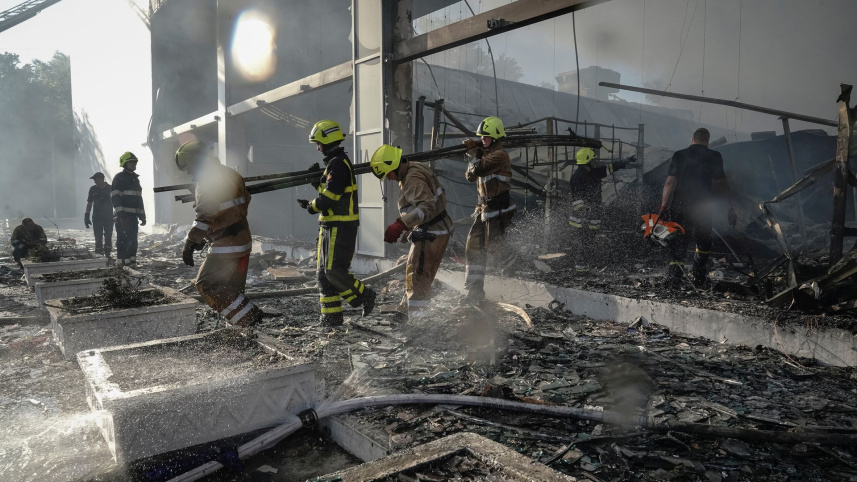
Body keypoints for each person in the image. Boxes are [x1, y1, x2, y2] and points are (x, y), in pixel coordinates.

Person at [297, 120, 376, 326]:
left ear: (325, 140)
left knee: (333, 271)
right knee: (323, 275)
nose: (317, 147)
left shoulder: (338, 164)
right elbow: (332, 194)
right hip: (330, 225)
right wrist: (317, 182)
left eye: (318, 143)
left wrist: (311, 206)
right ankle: (331, 318)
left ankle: (364, 296)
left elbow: (330, 199)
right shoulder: (334, 164)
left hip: (340, 227)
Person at [176, 140, 263, 327]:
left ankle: (251, 318)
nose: (190, 173)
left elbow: (204, 217)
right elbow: (241, 203)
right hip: (242, 238)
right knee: (231, 290)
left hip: (225, 244)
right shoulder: (232, 173)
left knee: (208, 285)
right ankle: (241, 330)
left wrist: (190, 243)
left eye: (189, 167)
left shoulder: (207, 180)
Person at [371, 144, 453, 321]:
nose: (390, 179)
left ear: (393, 166)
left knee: (419, 279)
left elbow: (426, 207)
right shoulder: (410, 169)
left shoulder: (412, 178)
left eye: (388, 174)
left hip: (432, 232)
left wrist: (402, 224)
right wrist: (409, 226)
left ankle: (418, 323)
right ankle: (406, 310)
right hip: (428, 230)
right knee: (412, 271)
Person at [659, 128, 737, 288]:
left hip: (680, 205)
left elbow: (669, 182)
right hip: (704, 207)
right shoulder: (714, 156)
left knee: (679, 241)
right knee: (703, 242)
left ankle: (675, 278)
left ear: (692, 140)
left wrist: (664, 205)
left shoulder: (679, 155)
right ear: (707, 141)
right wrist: (730, 208)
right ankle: (699, 278)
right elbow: (722, 184)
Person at [461, 116, 516, 303]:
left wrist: (473, 152)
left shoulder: (500, 155)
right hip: (484, 207)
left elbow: (478, 169)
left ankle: (514, 262)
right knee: (473, 247)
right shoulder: (484, 153)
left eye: (486, 137)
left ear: (496, 137)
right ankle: (474, 291)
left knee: (494, 247)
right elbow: (469, 176)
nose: (482, 139)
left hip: (498, 208)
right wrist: (475, 150)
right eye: (481, 137)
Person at [567, 148, 636, 273]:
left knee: (589, 243)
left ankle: (585, 269)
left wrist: (625, 161)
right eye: (593, 159)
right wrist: (584, 216)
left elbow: (610, 168)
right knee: (583, 244)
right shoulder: (577, 177)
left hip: (593, 215)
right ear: (587, 161)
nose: (595, 161)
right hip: (581, 219)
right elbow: (577, 200)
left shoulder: (594, 172)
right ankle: (581, 271)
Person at [111, 152, 146, 266]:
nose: (133, 164)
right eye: (131, 162)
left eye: (134, 162)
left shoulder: (135, 179)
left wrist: (142, 215)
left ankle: (131, 262)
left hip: (133, 217)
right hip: (123, 216)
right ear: (124, 164)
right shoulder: (119, 178)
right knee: (122, 240)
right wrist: (121, 215)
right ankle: (122, 263)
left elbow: (139, 198)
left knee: (133, 240)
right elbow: (115, 197)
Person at [85, 172, 114, 256]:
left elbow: (116, 202)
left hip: (108, 217)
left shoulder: (110, 188)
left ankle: (108, 254)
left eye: (96, 180)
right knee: (98, 236)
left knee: (108, 235)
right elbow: (89, 203)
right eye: (94, 180)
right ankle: (99, 254)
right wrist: (86, 216)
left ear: (102, 179)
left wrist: (117, 214)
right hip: (97, 217)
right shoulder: (93, 189)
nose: (95, 182)